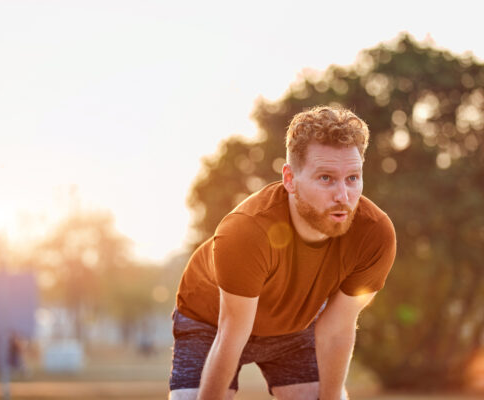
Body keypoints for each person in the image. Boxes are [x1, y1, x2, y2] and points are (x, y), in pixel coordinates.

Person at [169, 105, 397, 400]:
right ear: (289, 179)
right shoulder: (246, 231)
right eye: (326, 178)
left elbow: (337, 329)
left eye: (352, 178)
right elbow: (231, 334)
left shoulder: (374, 233)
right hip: (211, 321)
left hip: (294, 327)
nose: (343, 196)